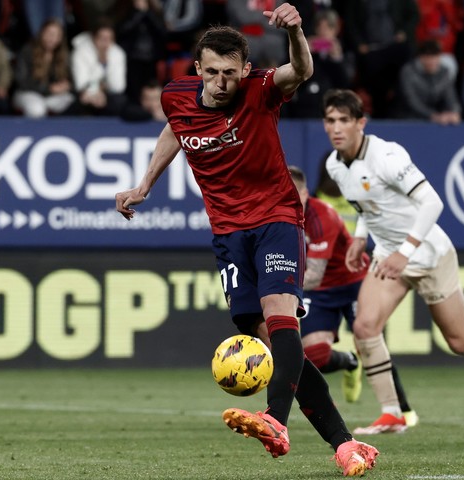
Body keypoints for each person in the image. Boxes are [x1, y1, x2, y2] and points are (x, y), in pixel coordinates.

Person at [115, 6, 379, 476]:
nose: (221, 82)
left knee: (281, 314)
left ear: (246, 70)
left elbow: (301, 68)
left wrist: (297, 31)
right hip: (227, 233)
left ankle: (275, 421)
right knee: (272, 344)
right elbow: (175, 130)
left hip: (276, 216)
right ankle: (346, 444)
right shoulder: (176, 96)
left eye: (230, 73)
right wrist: (144, 185)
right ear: (197, 69)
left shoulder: (261, 90)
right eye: (212, 72)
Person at [321, 88, 464, 434]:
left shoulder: (387, 156)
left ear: (360, 123)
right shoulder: (335, 165)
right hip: (389, 256)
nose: (336, 128)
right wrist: (360, 237)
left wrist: (404, 252)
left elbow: (432, 203)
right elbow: (367, 204)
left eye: (344, 120)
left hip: (428, 253)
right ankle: (392, 412)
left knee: (459, 341)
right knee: (365, 328)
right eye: (330, 120)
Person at [288, 165, 419, 427]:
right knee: (314, 356)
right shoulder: (277, 216)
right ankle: (349, 362)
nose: (287, 199)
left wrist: (275, 286)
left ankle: (403, 410)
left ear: (304, 193)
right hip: (321, 292)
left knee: (369, 340)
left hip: (353, 281)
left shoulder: (322, 215)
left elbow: (314, 273)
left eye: (293, 194)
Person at [13, 19, 75, 118]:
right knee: (37, 109)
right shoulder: (28, 51)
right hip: (28, 93)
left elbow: (71, 80)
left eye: (56, 35)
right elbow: (22, 81)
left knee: (72, 102)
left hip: (53, 97)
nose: (52, 38)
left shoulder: (63, 55)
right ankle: (35, 132)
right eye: (49, 34)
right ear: (42, 33)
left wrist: (66, 85)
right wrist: (48, 89)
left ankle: (61, 131)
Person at [71, 18, 128, 116]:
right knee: (79, 101)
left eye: (109, 39)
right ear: (94, 38)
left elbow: (119, 87)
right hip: (86, 94)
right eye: (102, 38)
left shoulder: (118, 53)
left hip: (107, 96)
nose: (105, 43)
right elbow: (80, 83)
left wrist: (105, 62)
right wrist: (96, 91)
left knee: (120, 101)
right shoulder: (80, 52)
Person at [397, 39, 462, 124]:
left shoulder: (444, 72)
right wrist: (433, 115)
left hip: (432, 121)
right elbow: (412, 101)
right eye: (428, 57)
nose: (432, 61)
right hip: (405, 119)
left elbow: (451, 98)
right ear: (421, 57)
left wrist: (454, 112)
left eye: (435, 56)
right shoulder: (408, 71)